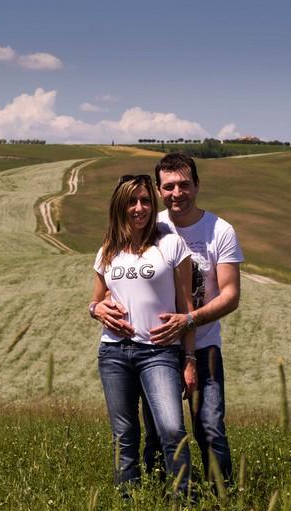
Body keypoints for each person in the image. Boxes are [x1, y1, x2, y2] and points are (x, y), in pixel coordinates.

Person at [94, 154, 243, 487]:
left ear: (197, 185)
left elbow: (231, 295)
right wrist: (98, 306)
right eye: (169, 186)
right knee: (157, 431)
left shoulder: (219, 230)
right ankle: (163, 496)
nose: (178, 193)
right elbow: (122, 282)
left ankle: (223, 498)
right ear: (160, 190)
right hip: (155, 347)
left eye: (184, 185)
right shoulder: (150, 223)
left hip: (202, 346)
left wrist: (187, 322)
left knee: (209, 426)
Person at [89, 173, 197, 496]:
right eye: (132, 201)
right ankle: (129, 505)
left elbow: (186, 308)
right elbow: (95, 301)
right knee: (124, 436)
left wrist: (189, 359)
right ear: (120, 207)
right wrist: (96, 310)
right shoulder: (108, 250)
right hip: (113, 354)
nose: (140, 208)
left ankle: (185, 502)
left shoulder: (171, 244)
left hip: (159, 352)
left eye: (146, 200)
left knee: (171, 429)